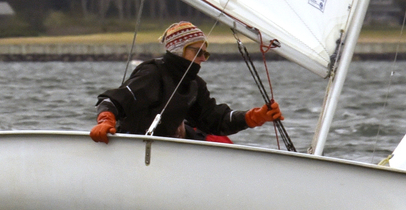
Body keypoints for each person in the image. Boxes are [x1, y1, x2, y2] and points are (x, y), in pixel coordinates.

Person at [90, 21, 283, 143]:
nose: (203, 58)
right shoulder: (153, 73)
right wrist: (105, 121)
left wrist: (254, 117)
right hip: (132, 148)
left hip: (167, 151)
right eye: (198, 52)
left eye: (206, 53)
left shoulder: (194, 84)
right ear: (178, 50)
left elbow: (215, 120)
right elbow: (112, 101)